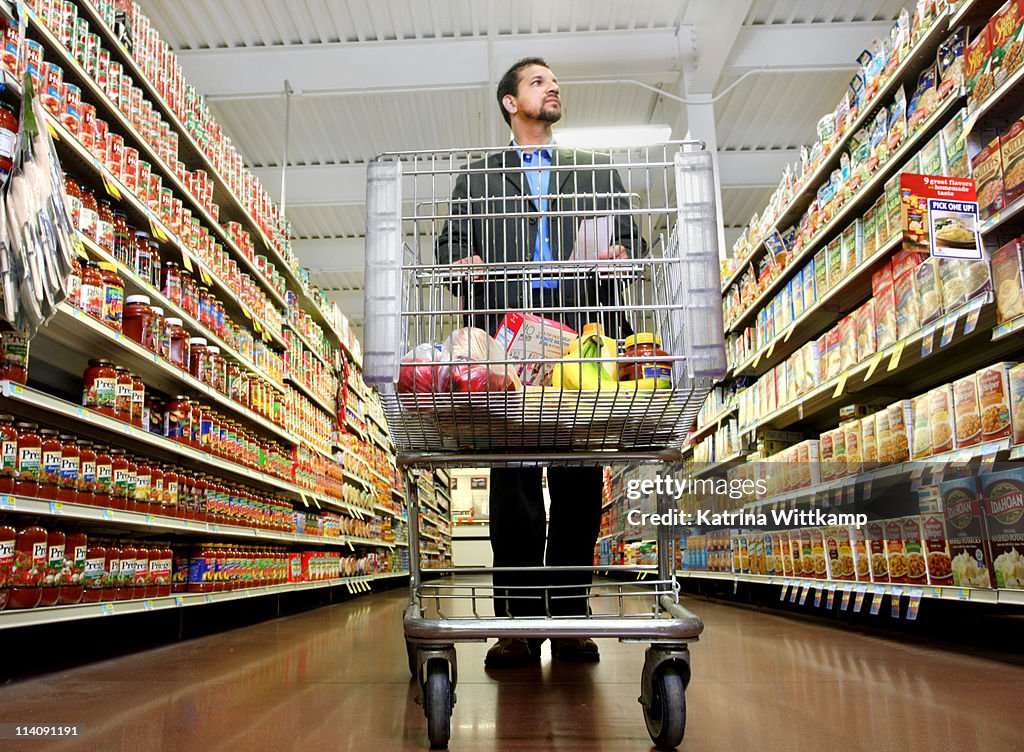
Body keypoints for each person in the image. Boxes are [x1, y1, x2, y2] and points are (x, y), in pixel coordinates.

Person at [436, 57, 646, 667]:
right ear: (510, 102)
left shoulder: (596, 172)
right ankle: (519, 622)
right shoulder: (478, 178)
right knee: (516, 480)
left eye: (554, 83)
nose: (552, 88)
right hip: (508, 336)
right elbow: (450, 243)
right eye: (537, 82)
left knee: (579, 476)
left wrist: (616, 249)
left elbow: (629, 238)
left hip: (581, 336)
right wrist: (463, 262)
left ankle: (570, 614)